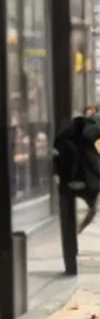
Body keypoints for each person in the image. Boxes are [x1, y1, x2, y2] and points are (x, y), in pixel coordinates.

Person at [53, 104, 100, 274]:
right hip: (88, 183)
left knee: (69, 224)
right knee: (88, 214)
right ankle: (78, 243)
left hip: (67, 184)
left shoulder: (64, 136)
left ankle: (70, 264)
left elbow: (56, 159)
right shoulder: (92, 133)